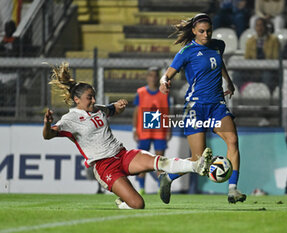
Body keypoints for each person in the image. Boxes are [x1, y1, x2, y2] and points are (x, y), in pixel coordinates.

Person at [42, 62, 213, 209]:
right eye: (89, 97)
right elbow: (49, 135)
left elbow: (111, 109)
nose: (93, 100)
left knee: (159, 161)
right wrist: (47, 124)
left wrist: (119, 105)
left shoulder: (97, 109)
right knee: (138, 204)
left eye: (94, 96)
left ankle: (196, 165)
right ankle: (123, 202)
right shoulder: (70, 119)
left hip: (122, 155)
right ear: (77, 100)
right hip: (104, 167)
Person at [158, 13, 246, 204]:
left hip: (217, 105)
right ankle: (168, 177)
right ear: (194, 32)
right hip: (195, 107)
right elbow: (167, 74)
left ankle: (232, 190)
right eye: (202, 31)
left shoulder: (218, 46)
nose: (206, 35)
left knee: (232, 140)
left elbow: (218, 62)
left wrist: (228, 82)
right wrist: (164, 82)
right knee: (199, 160)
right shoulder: (186, 52)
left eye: (209, 31)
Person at [133, 67, 171, 194]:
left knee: (160, 159)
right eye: (151, 75)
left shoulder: (164, 92)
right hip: (144, 131)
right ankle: (142, 188)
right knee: (142, 159)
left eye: (156, 76)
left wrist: (168, 128)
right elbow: (137, 112)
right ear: (147, 77)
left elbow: (167, 112)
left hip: (159, 130)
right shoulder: (141, 92)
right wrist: (134, 129)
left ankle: (161, 187)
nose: (153, 78)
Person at [241, 17, 279, 93]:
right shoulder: (250, 41)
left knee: (267, 76)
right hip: (253, 69)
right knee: (237, 75)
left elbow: (275, 58)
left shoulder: (273, 40)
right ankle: (240, 95)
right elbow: (247, 58)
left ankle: (268, 97)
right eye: (257, 25)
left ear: (265, 27)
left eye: (261, 25)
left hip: (268, 69)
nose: (259, 28)